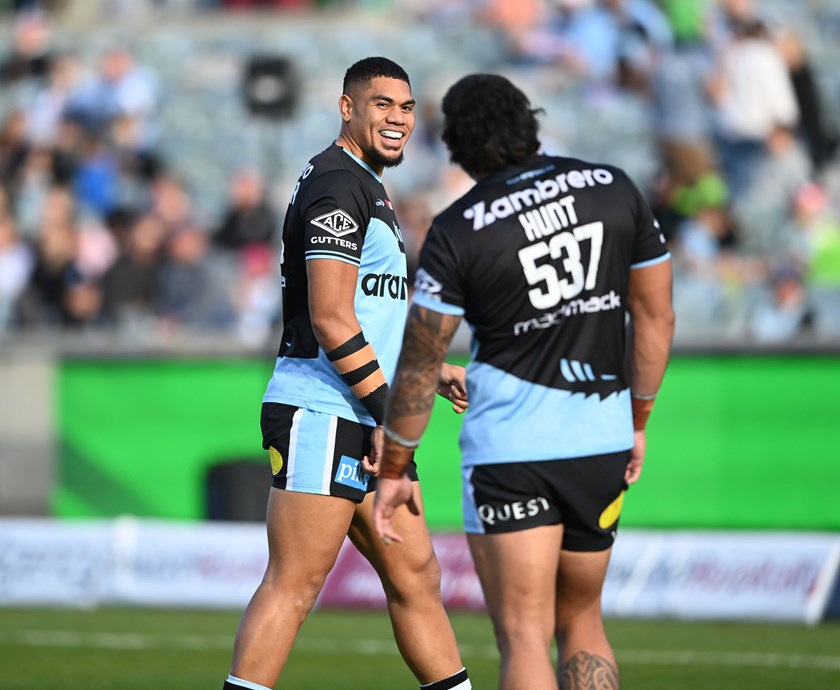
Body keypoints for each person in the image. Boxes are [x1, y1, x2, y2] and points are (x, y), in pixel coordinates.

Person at [374, 74, 675, 690]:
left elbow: (422, 359)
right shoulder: (612, 188)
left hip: (512, 449)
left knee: (523, 634)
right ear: (529, 121)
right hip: (601, 437)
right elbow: (656, 315)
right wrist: (638, 420)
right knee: (583, 619)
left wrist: (396, 466)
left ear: (456, 148)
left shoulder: (459, 228)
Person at [222, 57, 471, 690]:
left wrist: (428, 367)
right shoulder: (338, 184)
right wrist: (392, 410)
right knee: (296, 584)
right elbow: (332, 320)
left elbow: (372, 309)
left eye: (407, 107)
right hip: (324, 409)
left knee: (416, 577)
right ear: (347, 108)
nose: (397, 119)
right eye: (382, 104)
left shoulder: (366, 185)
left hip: (363, 410)